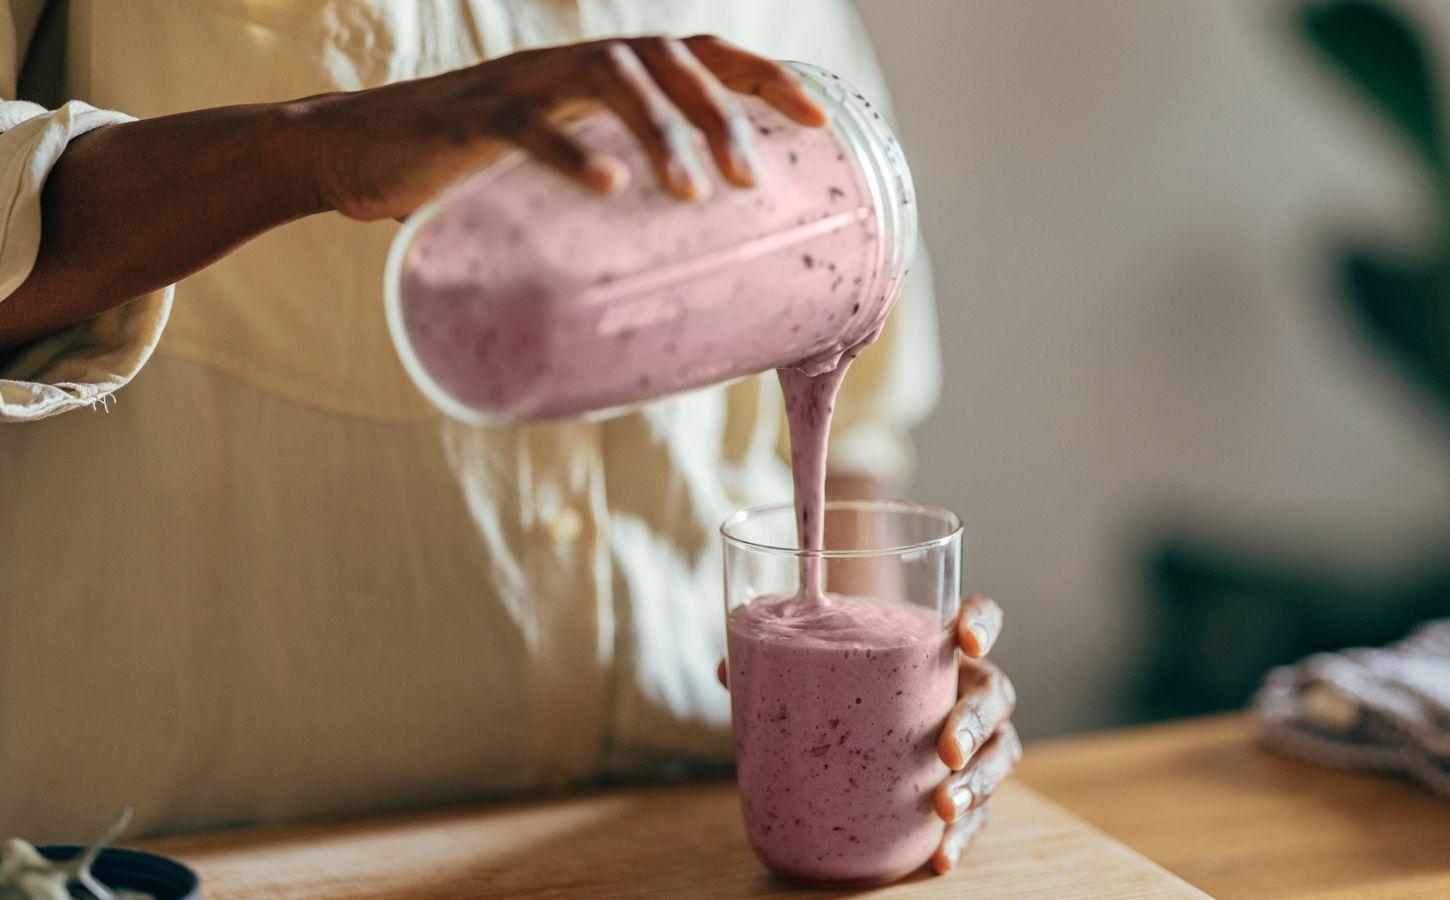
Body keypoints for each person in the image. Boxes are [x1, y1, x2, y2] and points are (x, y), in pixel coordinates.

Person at [0, 0, 1017, 874]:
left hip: (684, 844)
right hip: (189, 861)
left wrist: (893, 726)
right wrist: (311, 146)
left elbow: (858, 415)